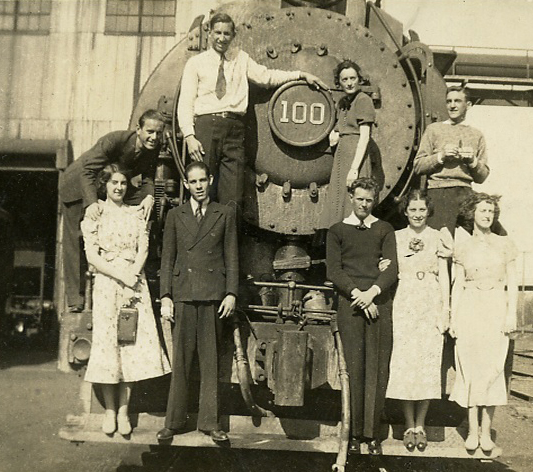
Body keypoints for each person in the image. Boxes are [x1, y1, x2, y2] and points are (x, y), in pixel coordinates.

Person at [177, 12, 326, 212]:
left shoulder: (241, 58)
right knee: (202, 190)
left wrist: (300, 75)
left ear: (233, 35)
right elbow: (186, 101)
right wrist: (189, 135)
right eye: (218, 33)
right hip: (206, 126)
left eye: (227, 33)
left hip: (234, 129)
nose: (222, 38)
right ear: (210, 33)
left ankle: (228, 242)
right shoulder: (196, 63)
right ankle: (201, 241)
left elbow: (266, 77)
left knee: (233, 195)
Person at [81, 164, 171, 436]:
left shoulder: (136, 215)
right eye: (113, 183)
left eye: (122, 183)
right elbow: (92, 257)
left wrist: (132, 277)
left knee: (129, 346)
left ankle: (124, 409)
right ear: (104, 186)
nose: (119, 187)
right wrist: (120, 275)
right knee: (108, 348)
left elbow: (143, 249)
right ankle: (109, 409)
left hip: (134, 285)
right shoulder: (93, 215)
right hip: (108, 285)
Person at [156, 161, 239, 443]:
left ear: (211, 180)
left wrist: (231, 292)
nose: (199, 186)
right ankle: (174, 421)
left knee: (210, 361)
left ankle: (210, 422)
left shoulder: (224, 214)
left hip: (213, 295)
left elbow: (231, 255)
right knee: (181, 361)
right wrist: (166, 296)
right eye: (194, 182)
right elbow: (167, 258)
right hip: (184, 294)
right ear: (186, 184)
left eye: (203, 180)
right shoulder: (174, 215)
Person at [59, 109, 165, 312]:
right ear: (138, 130)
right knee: (75, 240)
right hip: (78, 185)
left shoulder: (154, 146)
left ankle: (142, 266)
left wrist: (150, 196)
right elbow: (87, 170)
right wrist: (91, 203)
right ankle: (75, 299)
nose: (154, 137)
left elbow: (149, 175)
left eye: (158, 133)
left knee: (143, 206)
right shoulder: (115, 140)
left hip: (107, 184)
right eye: (150, 132)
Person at [326, 177, 398, 455]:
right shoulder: (337, 231)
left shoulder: (384, 229)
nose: (364, 204)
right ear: (351, 198)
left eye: (369, 200)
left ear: (374, 200)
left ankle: (373, 435)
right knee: (354, 368)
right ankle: (355, 434)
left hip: (379, 304)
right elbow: (334, 270)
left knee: (378, 369)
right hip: (351, 304)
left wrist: (373, 294)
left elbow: (391, 269)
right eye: (360, 199)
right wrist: (359, 294)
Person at [449, 192, 518, 453]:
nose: (487, 215)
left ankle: (486, 431)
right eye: (482, 211)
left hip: (495, 309)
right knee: (470, 367)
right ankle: (471, 429)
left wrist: (511, 314)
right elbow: (457, 285)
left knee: (492, 369)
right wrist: (453, 317)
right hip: (470, 308)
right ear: (472, 214)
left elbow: (512, 283)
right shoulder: (462, 245)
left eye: (491, 211)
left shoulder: (505, 244)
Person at [384, 190, 452, 452]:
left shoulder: (438, 237)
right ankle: (408, 423)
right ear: (406, 212)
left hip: (430, 301)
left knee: (426, 364)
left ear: (428, 211)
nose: (417, 214)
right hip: (405, 302)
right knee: (405, 363)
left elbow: (444, 276)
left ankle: (420, 424)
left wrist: (445, 310)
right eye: (412, 210)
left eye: (422, 210)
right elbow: (389, 269)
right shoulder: (397, 237)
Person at [412, 86, 491, 235]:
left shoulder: (476, 134)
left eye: (457, 101)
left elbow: (483, 176)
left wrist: (472, 161)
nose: (452, 105)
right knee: (442, 243)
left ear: (468, 105)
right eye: (449, 101)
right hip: (438, 193)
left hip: (466, 194)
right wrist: (441, 156)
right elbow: (418, 166)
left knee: (491, 235)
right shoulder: (433, 129)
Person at [320, 60, 376, 229]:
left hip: (354, 157)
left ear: (359, 79)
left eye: (353, 78)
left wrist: (354, 168)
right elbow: (340, 127)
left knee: (352, 202)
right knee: (339, 202)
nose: (349, 83)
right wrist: (335, 133)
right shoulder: (344, 103)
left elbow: (364, 136)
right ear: (339, 82)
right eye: (345, 80)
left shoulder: (363, 100)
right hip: (341, 157)